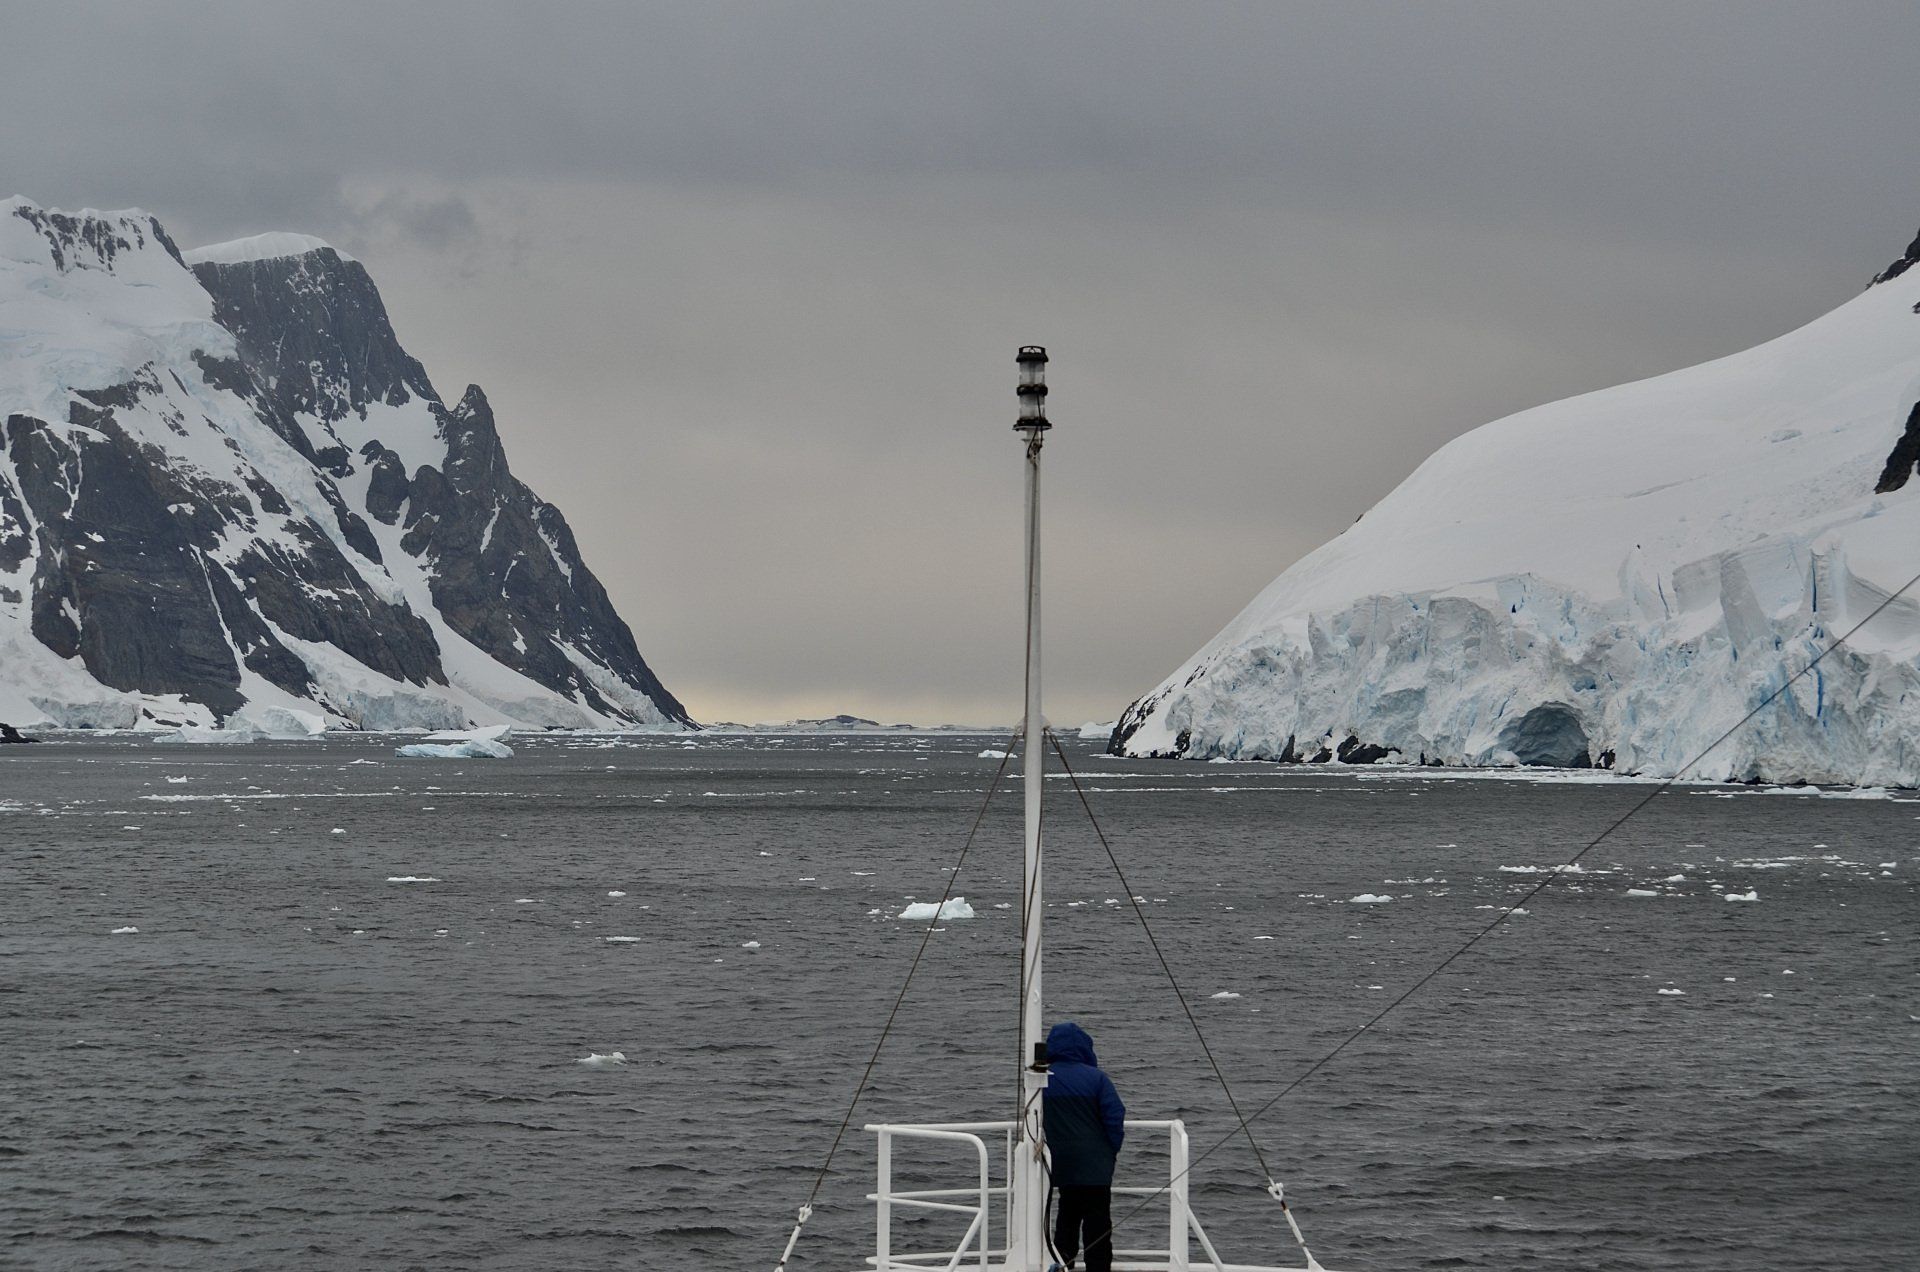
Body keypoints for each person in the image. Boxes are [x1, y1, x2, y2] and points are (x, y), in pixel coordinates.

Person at [1042, 1021, 1125, 1272]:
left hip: (1062, 1165)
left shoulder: (1042, 1079)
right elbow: (1115, 1116)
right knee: (1098, 1228)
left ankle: (1061, 1265)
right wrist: (1110, 1151)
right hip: (1096, 1167)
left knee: (1066, 1221)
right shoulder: (1097, 1078)